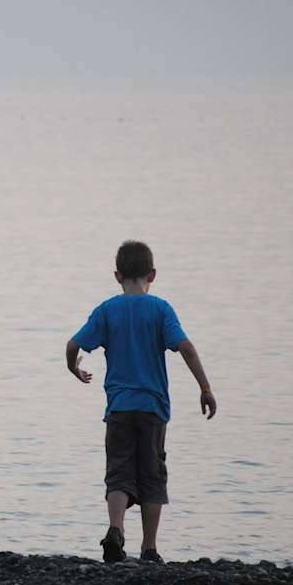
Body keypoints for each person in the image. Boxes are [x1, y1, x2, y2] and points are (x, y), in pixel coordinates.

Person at [65, 240, 216, 564]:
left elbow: (73, 344)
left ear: (117, 276)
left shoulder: (106, 310)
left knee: (118, 470)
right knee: (152, 474)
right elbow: (186, 347)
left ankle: (116, 530)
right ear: (153, 274)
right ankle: (149, 548)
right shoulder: (161, 309)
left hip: (119, 407)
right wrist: (204, 387)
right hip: (152, 408)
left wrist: (73, 368)